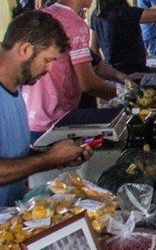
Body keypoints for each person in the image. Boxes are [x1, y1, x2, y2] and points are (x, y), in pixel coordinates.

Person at [0, 12, 92, 207]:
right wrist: (49, 158)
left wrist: (58, 154)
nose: (50, 69)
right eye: (47, 60)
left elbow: (13, 156)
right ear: (25, 49)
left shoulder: (15, 88)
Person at [24, 0, 124, 140]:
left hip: (31, 117)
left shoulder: (42, 15)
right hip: (57, 119)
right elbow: (87, 83)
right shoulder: (75, 24)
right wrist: (125, 96)